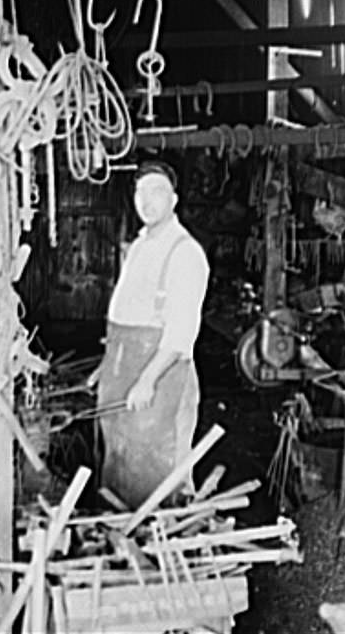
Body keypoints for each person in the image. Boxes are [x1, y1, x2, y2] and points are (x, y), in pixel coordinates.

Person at [93, 160, 210, 508]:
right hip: (124, 369)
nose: (147, 200)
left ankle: (159, 546)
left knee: (156, 476)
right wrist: (110, 364)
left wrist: (146, 380)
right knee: (119, 464)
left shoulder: (184, 253)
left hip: (160, 382)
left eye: (156, 191)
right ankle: (120, 538)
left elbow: (180, 334)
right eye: (140, 192)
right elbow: (128, 313)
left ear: (174, 200)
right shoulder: (141, 246)